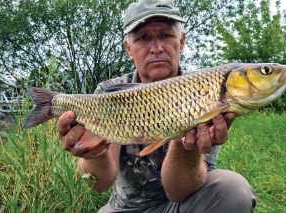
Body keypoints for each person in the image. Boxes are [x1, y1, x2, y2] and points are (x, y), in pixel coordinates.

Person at [57, 0, 257, 212]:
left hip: (182, 205)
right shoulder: (110, 92)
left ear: (181, 41)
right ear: (129, 49)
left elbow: (179, 191)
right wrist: (93, 152)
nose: (156, 48)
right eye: (143, 38)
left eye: (165, 35)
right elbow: (97, 184)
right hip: (125, 208)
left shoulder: (205, 89)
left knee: (233, 190)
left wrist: (184, 145)